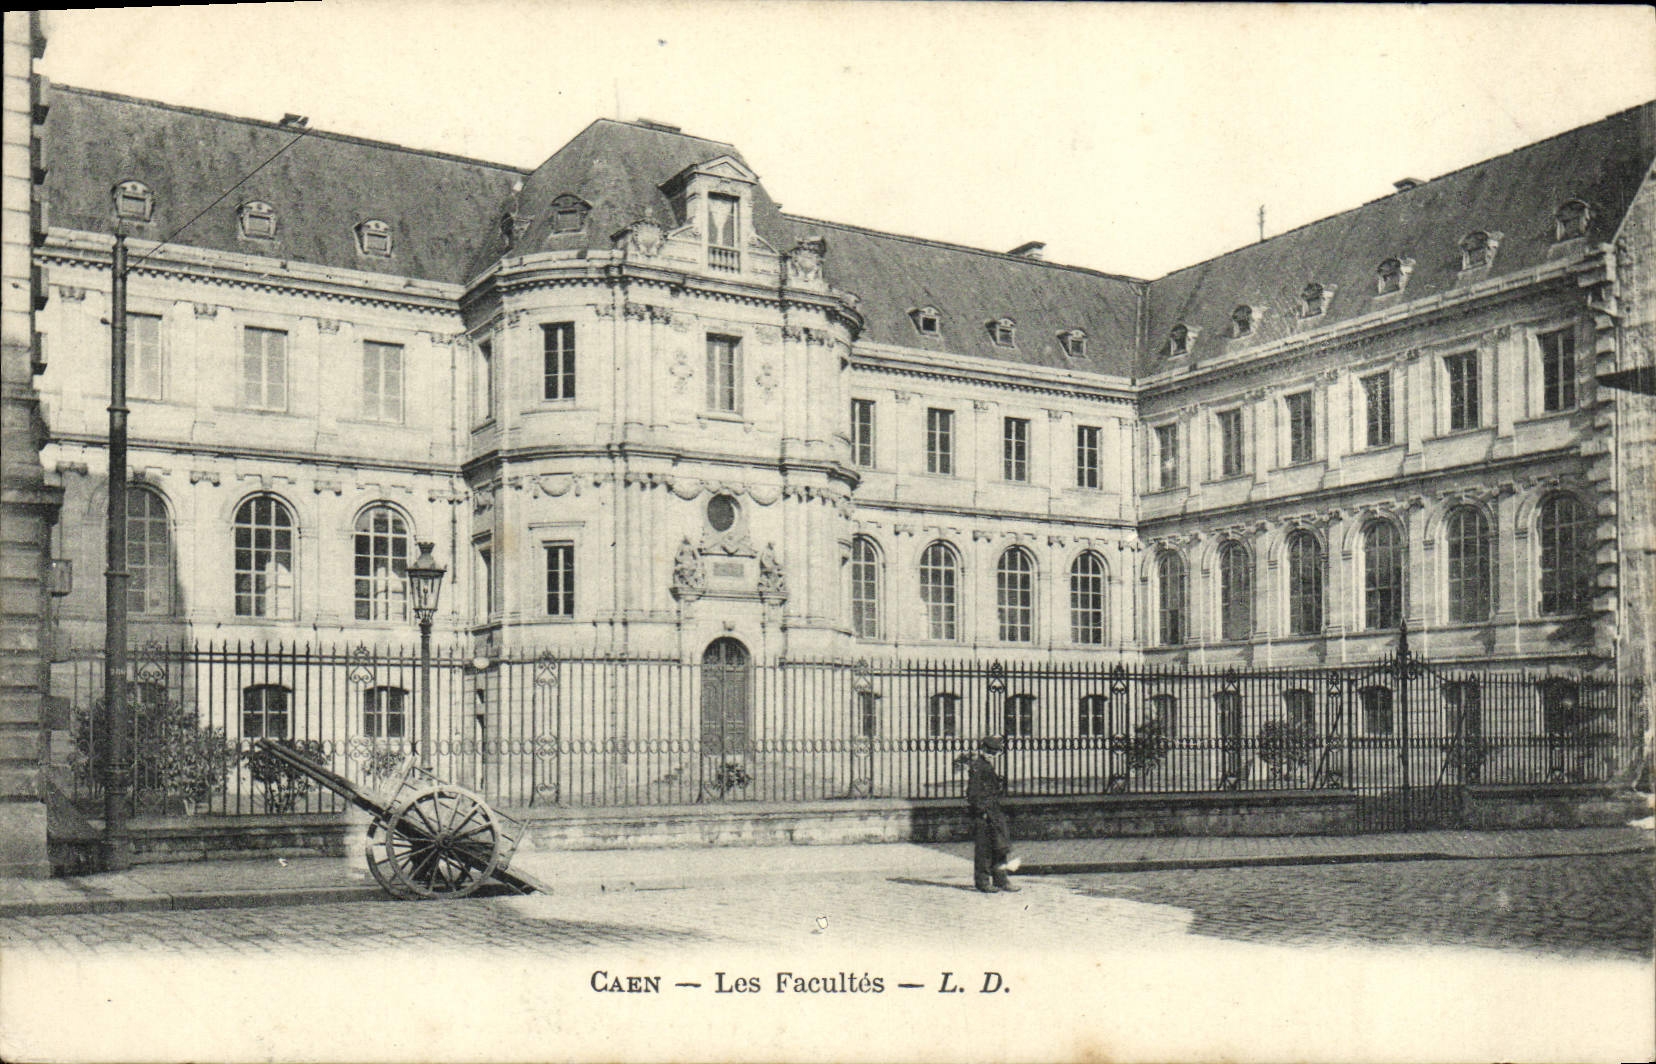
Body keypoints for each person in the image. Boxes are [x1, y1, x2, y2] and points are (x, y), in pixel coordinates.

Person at [966, 735, 1019, 893]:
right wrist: (981, 811)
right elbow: (973, 793)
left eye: (995, 752)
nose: (993, 755)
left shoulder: (986, 766)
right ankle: (983, 881)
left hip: (994, 812)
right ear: (984, 750)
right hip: (984, 814)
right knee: (984, 850)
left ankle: (1001, 880)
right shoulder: (978, 766)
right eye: (990, 752)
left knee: (1000, 847)